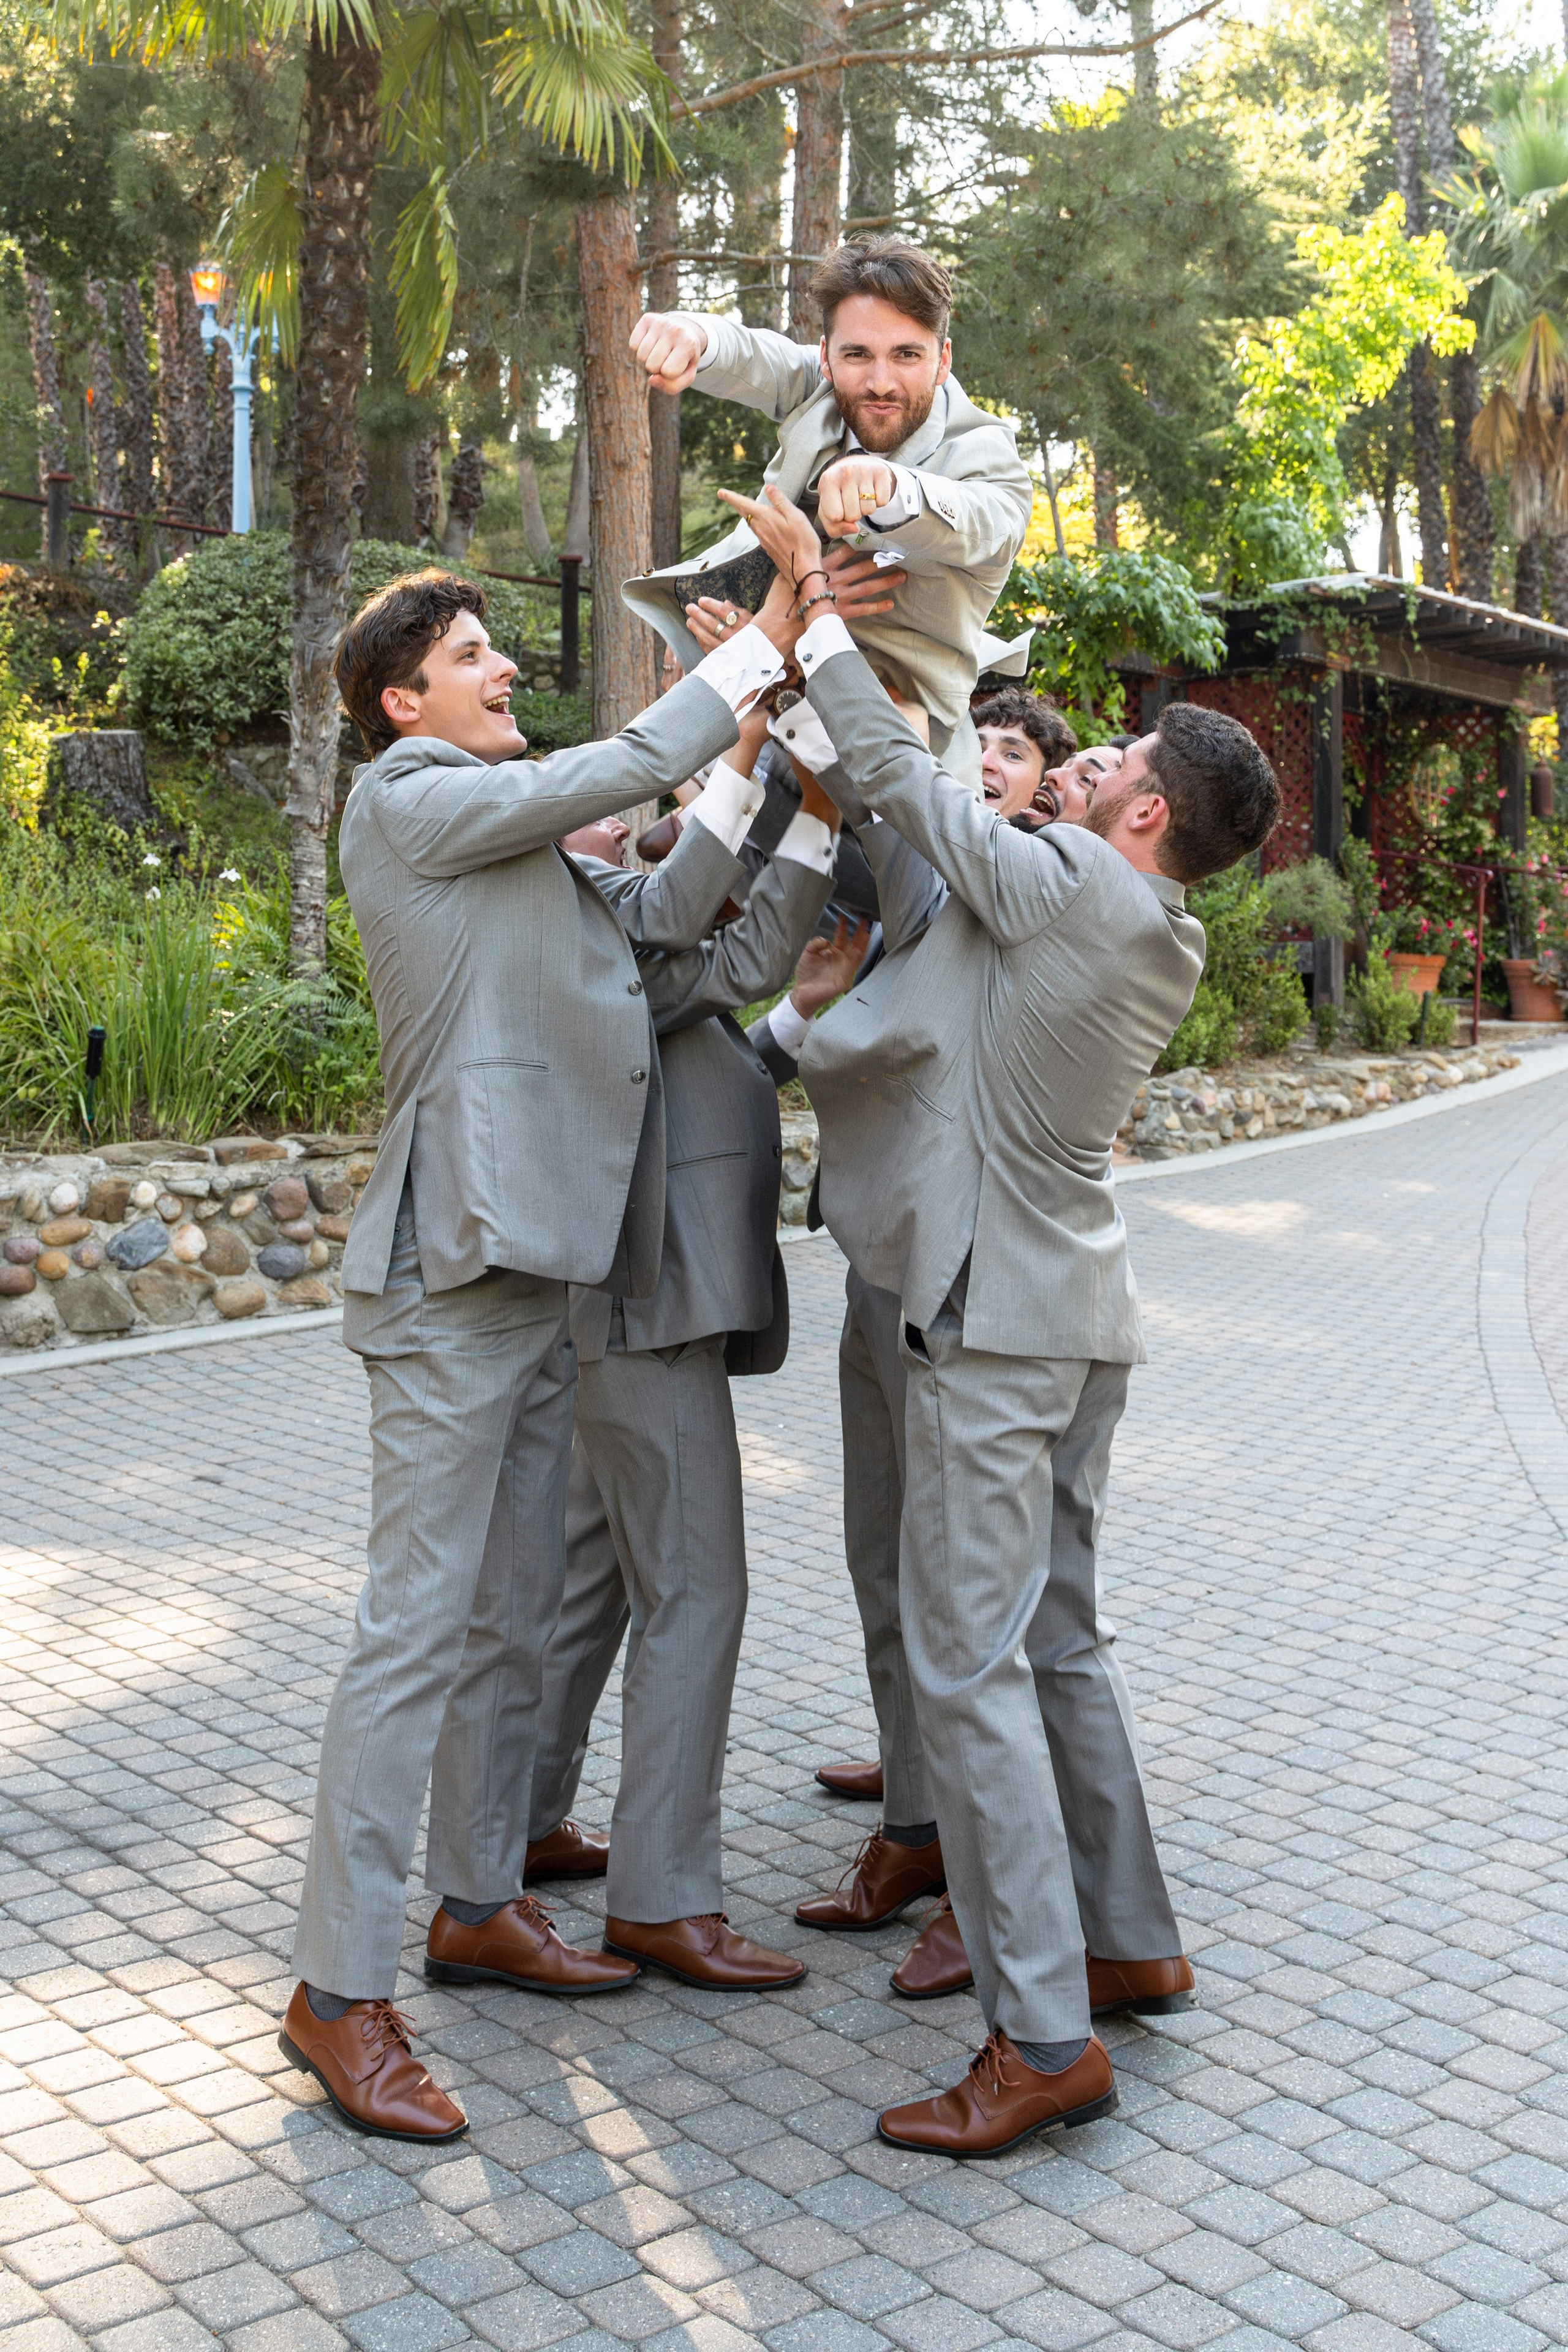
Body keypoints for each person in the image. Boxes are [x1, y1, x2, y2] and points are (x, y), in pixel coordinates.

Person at [693, 484, 1282, 2156]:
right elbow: (911, 810)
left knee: (967, 1669)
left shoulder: (1079, 889)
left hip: (1000, 1335)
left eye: (1108, 765)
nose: (1077, 766)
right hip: (1077, 1322)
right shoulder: (1140, 921)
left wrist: (813, 613)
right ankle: (1130, 1941)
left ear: (1145, 813)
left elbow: (902, 786)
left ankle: (1038, 2038)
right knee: (1062, 1643)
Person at [281, 565, 802, 2145]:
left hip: (540, 1281)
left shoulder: (512, 851)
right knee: (412, 1636)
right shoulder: (408, 800)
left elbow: (666, 914)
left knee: (508, 1611)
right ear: (403, 704)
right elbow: (618, 770)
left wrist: (757, 751)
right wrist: (764, 641)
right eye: (471, 654)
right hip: (450, 1280)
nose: (504, 666)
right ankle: (335, 1994)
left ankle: (473, 1904)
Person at [519, 726, 854, 1992]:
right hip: (645, 1311)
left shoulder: (609, 939)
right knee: (698, 1592)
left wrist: (797, 1016)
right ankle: (662, 1898)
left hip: (625, 1309)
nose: (628, 818)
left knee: (593, 1581)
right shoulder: (574, 929)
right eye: (607, 810)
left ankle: (523, 1822)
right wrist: (808, 800)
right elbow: (737, 956)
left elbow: (705, 1045)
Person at [625, 235, 1033, 787]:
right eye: (857, 354)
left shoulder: (987, 453)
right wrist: (692, 333)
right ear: (826, 356)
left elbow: (988, 522)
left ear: (944, 360)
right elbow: (750, 353)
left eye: (907, 355)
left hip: (890, 759)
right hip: (750, 709)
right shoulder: (818, 389)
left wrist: (892, 489)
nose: (880, 382)